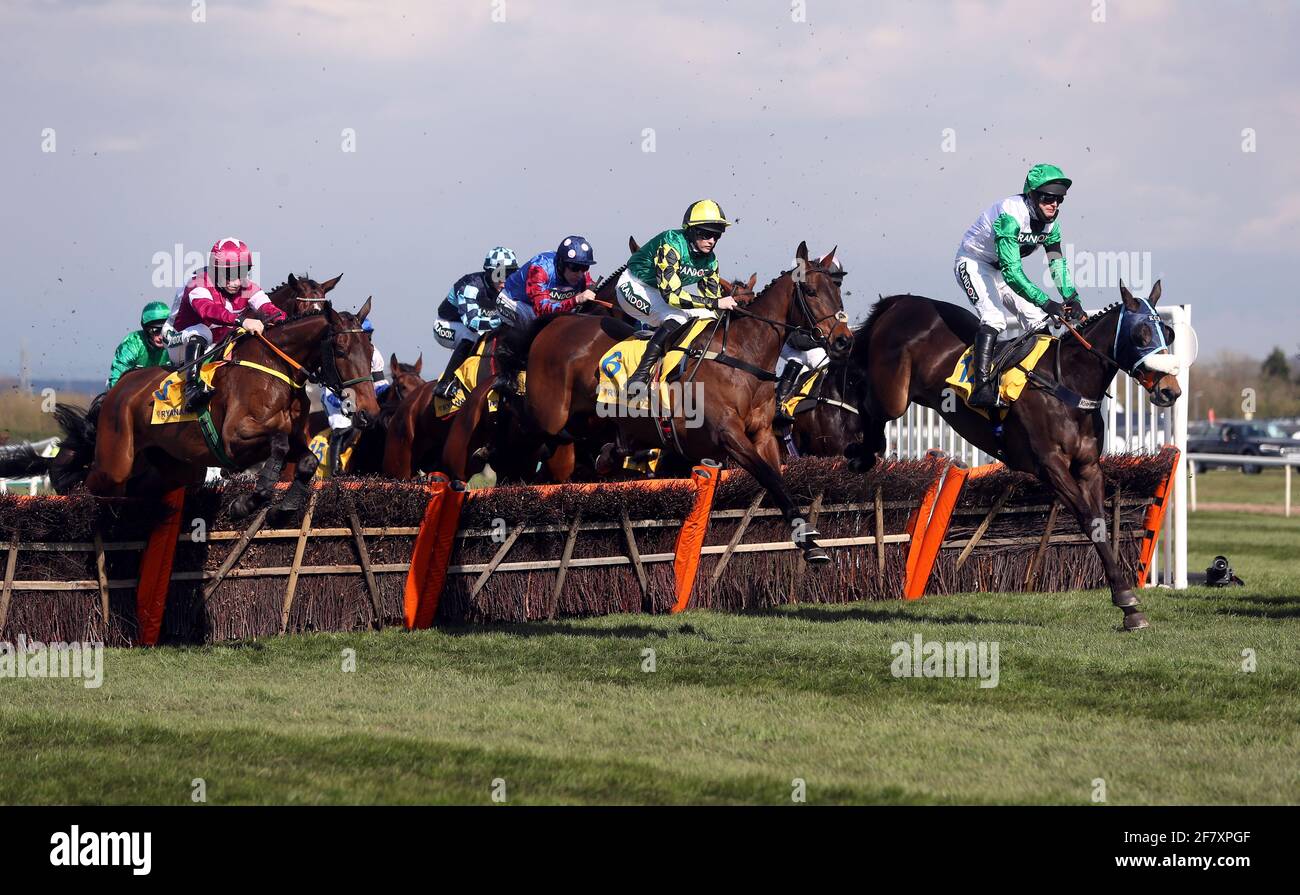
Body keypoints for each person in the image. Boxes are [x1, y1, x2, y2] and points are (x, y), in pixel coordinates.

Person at [954, 164, 1085, 408]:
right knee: (995, 319)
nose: (1054, 204)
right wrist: (1047, 302)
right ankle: (981, 388)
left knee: (1037, 320)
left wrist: (1072, 298)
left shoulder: (1051, 226)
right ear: (1031, 195)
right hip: (974, 263)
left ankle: (1041, 384)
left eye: (1059, 199)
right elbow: (1013, 274)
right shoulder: (1010, 216)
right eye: (1048, 197)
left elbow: (1056, 264)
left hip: (1000, 270)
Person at [615, 200, 738, 408]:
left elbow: (713, 303)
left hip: (659, 292)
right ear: (690, 231)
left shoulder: (710, 261)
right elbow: (672, 296)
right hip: (634, 286)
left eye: (716, 235)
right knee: (678, 316)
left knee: (707, 317)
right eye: (705, 234)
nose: (711, 241)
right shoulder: (671, 244)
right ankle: (639, 378)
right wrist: (715, 302)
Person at [166, 237, 287, 411]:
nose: (237, 282)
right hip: (178, 342)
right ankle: (191, 389)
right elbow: (207, 310)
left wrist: (291, 322)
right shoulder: (198, 283)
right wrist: (242, 321)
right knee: (202, 331)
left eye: (242, 272)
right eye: (230, 274)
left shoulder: (247, 287)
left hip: (216, 343)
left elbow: (270, 309)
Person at [432, 247, 518, 400]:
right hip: (446, 325)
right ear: (488, 272)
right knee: (471, 334)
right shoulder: (470, 286)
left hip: (471, 325)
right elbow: (472, 322)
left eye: (509, 274)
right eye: (498, 274)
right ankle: (444, 383)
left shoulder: (511, 288)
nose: (503, 281)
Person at [321, 318, 388, 475]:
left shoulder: (374, 353)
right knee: (343, 423)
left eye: (369, 335)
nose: (368, 339)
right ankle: (335, 469)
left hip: (362, 395)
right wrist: (346, 402)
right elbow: (330, 387)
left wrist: (388, 396)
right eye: (366, 334)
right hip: (334, 394)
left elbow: (379, 383)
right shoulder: (338, 349)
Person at [495, 236, 597, 331]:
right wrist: (576, 300)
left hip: (545, 304)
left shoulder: (582, 275)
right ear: (561, 263)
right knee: (536, 329)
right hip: (514, 303)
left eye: (584, 268)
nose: (580, 274)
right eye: (574, 268)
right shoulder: (539, 270)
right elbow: (542, 311)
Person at [106, 301, 172, 388]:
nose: (160, 336)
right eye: (155, 331)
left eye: (164, 331)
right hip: (131, 389)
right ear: (146, 330)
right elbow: (116, 378)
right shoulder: (132, 343)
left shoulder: (173, 342)